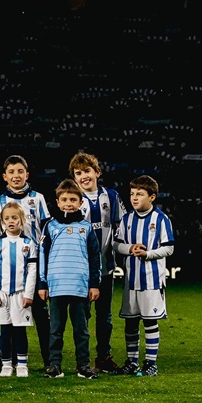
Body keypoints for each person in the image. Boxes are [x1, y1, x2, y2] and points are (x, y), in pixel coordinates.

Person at [0, 155, 52, 366]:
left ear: (27, 174)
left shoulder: (38, 198)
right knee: (8, 317)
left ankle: (50, 360)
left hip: (35, 265)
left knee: (41, 316)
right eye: (11, 172)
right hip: (9, 270)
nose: (15, 176)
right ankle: (8, 360)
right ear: (4, 176)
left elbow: (46, 230)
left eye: (20, 171)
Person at [39, 179, 101, 380]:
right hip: (56, 286)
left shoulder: (86, 227)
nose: (68, 203)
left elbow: (95, 257)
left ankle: (83, 365)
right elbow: (43, 255)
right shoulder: (50, 226)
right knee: (55, 330)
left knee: (81, 331)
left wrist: (94, 284)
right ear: (57, 202)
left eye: (73, 200)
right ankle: (55, 366)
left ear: (80, 202)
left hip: (79, 286)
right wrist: (42, 284)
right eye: (64, 199)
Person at [114, 175, 175, 377]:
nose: (134, 198)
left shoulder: (161, 219)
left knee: (150, 321)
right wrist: (130, 248)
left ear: (152, 197)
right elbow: (116, 244)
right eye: (132, 194)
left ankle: (150, 363)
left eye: (139, 194)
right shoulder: (126, 219)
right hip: (130, 281)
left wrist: (147, 254)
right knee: (131, 322)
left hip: (152, 280)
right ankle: (132, 362)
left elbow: (169, 248)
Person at [69, 152, 125, 374]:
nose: (83, 176)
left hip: (105, 268)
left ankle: (103, 357)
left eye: (87, 171)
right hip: (81, 270)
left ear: (97, 172)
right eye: (78, 173)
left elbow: (122, 226)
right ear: (74, 178)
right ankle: (82, 360)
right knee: (82, 316)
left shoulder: (111, 196)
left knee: (105, 317)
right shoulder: (72, 199)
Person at [0, 202, 38, 378]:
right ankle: (6, 364)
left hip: (20, 294)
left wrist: (28, 294)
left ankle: (22, 364)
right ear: (2, 221)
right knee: (5, 331)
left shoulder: (28, 243)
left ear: (21, 220)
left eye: (14, 218)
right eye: (7, 218)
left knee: (19, 331)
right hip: (2, 295)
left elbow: (32, 270)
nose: (10, 221)